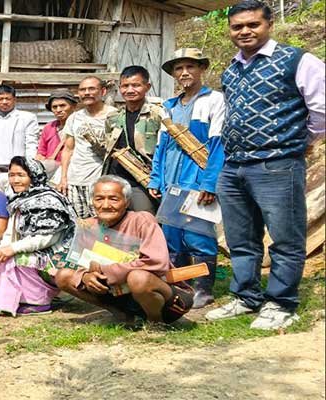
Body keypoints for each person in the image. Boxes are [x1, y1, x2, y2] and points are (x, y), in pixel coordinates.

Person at [206, 0, 325, 330]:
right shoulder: (232, 68)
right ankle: (246, 297)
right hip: (234, 166)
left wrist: (300, 143)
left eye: (252, 24)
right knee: (241, 240)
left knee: (285, 238)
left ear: (268, 24)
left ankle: (281, 302)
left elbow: (322, 110)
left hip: (277, 164)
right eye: (237, 26)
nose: (244, 31)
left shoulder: (297, 60)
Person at [55, 175, 193, 324]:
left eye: (114, 199)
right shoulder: (89, 226)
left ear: (126, 202)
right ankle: (121, 315)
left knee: (138, 278)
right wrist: (85, 276)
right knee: (63, 276)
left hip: (163, 296)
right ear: (92, 202)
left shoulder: (142, 220)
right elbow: (78, 262)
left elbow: (156, 263)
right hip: (116, 292)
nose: (106, 205)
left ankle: (156, 322)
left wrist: (105, 271)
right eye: (99, 199)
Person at [149, 48, 226, 308]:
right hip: (171, 181)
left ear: (201, 69)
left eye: (190, 67)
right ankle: (181, 286)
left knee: (198, 236)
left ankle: (203, 289)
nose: (184, 73)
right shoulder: (168, 108)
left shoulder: (214, 100)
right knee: (171, 237)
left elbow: (217, 145)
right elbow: (161, 147)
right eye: (179, 68)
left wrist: (209, 182)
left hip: (197, 179)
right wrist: (155, 179)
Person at [0, 157, 76, 316]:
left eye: (21, 175)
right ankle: (22, 298)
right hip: (37, 250)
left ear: (34, 176)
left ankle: (39, 302)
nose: (15, 180)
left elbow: (49, 237)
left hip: (57, 255)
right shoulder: (20, 199)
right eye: (12, 175)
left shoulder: (47, 200)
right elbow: (11, 230)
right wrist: (4, 248)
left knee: (18, 258)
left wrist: (13, 248)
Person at [102, 66, 163, 213]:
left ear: (147, 86)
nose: (130, 90)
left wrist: (157, 180)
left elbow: (164, 150)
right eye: (125, 86)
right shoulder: (114, 117)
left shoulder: (157, 115)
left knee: (144, 219)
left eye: (136, 85)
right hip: (115, 179)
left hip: (143, 180)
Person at [58, 76, 118, 218]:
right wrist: (63, 178)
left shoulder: (114, 116)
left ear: (103, 91)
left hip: (100, 181)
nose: (86, 93)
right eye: (82, 90)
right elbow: (68, 149)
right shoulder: (74, 118)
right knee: (80, 224)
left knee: (103, 221)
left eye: (91, 89)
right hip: (75, 181)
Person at [0, 85, 40, 192]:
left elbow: (31, 144)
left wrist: (29, 170)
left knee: (16, 205)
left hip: (17, 173)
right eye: (0, 99)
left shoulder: (27, 118)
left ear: (14, 99)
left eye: (8, 98)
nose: (4, 102)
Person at [35, 90, 77, 179]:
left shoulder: (79, 126)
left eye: (62, 106)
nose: (58, 110)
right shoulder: (49, 127)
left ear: (73, 106)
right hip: (51, 173)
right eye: (54, 107)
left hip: (74, 171)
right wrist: (40, 158)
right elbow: (41, 151)